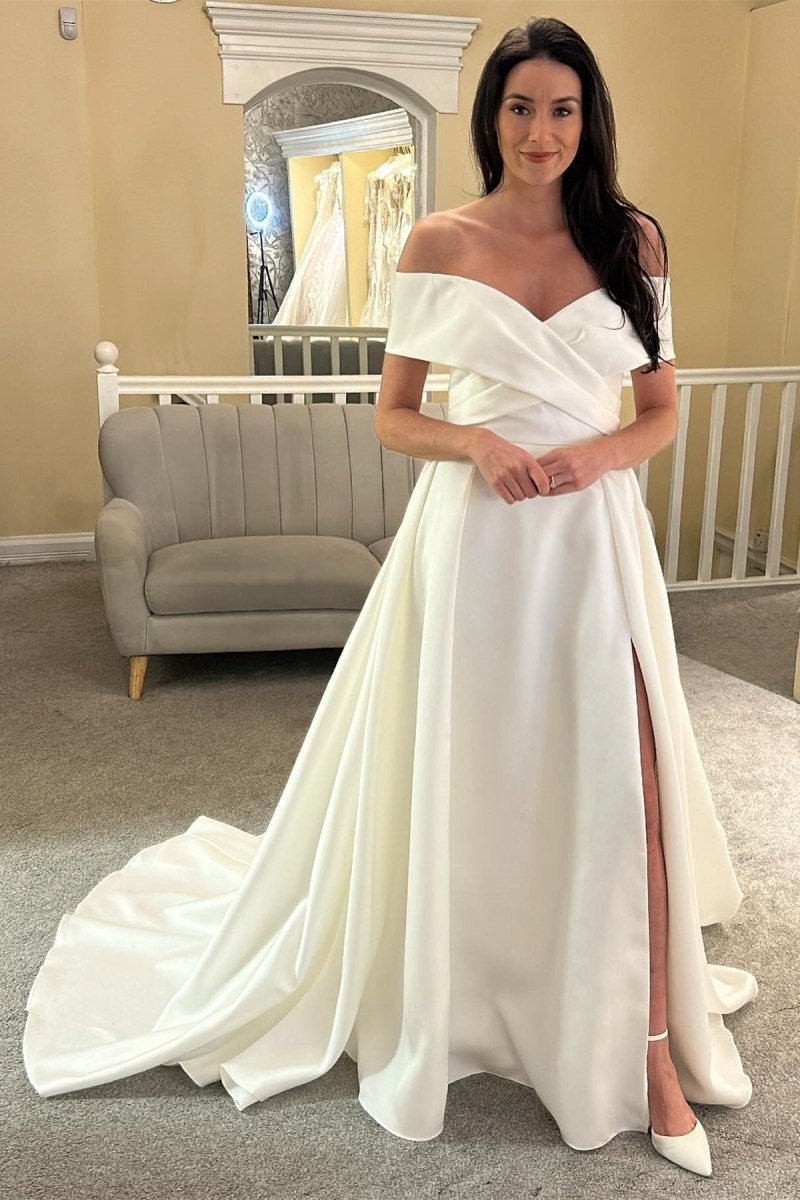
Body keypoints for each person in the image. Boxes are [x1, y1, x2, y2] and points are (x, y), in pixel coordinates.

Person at [23, 16, 757, 1179]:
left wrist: (595, 456)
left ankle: (650, 1050)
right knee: (474, 765)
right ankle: (471, 975)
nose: (540, 132)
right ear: (491, 118)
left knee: (620, 777)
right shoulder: (438, 239)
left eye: (562, 109)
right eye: (519, 108)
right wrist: (475, 442)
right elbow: (393, 415)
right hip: (475, 540)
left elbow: (658, 412)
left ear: (588, 119)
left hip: (589, 537)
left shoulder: (633, 239)